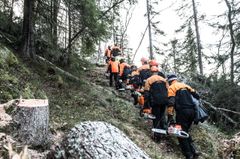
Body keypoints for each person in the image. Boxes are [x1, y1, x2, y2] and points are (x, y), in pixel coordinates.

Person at [167, 74, 200, 159]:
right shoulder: (185, 85)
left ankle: (188, 155)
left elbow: (171, 103)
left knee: (180, 133)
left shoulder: (172, 87)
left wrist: (170, 115)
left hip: (182, 112)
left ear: (170, 81)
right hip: (192, 112)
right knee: (185, 131)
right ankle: (194, 151)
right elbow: (197, 95)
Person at [143, 66, 168, 133]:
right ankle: (164, 131)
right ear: (157, 72)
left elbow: (146, 93)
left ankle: (157, 134)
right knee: (162, 116)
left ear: (151, 72)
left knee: (156, 117)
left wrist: (146, 105)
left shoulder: (149, 80)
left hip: (155, 101)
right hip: (165, 100)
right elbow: (168, 90)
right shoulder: (164, 80)